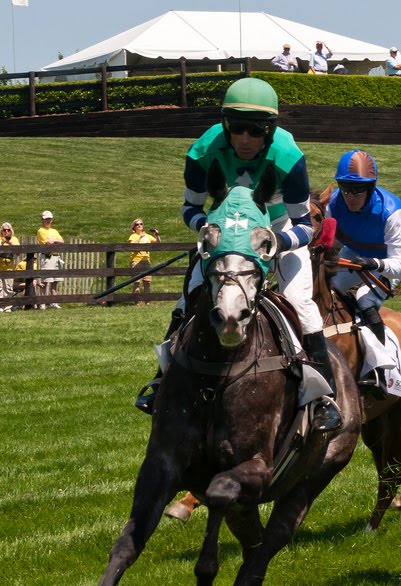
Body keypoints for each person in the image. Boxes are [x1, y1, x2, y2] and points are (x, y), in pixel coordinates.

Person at [139, 77, 342, 433]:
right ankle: (161, 381)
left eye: (256, 130)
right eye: (236, 128)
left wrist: (275, 243)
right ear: (224, 124)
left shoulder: (289, 157)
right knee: (188, 299)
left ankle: (324, 399)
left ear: (270, 129)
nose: (245, 139)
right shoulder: (202, 152)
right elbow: (189, 208)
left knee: (302, 303)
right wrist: (209, 231)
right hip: (225, 236)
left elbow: (304, 225)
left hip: (276, 231)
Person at [325, 150, 401, 395]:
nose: (350, 196)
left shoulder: (392, 212)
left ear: (371, 188)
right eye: (345, 188)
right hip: (355, 254)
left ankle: (383, 368)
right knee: (330, 290)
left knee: (364, 297)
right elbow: (328, 243)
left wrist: (375, 264)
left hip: (386, 262)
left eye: (358, 190)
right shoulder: (333, 203)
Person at [36, 210, 64, 309]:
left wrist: (54, 240)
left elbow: (62, 241)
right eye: (46, 219)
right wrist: (54, 242)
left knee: (55, 281)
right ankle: (42, 303)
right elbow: (47, 243)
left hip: (56, 257)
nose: (48, 221)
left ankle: (53, 302)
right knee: (45, 280)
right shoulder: (41, 230)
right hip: (47, 257)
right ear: (42, 220)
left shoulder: (54, 231)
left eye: (49, 219)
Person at [128, 218, 160, 302]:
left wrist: (156, 234)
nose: (139, 225)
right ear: (134, 227)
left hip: (146, 260)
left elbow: (158, 243)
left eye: (141, 224)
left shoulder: (147, 236)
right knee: (137, 282)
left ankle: (147, 302)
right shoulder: (133, 236)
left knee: (147, 282)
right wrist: (140, 237)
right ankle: (136, 302)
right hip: (136, 261)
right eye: (137, 224)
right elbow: (132, 246)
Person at [0, 222, 19, 312]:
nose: (6, 231)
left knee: (8, 287)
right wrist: (2, 242)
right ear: (1, 231)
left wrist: (9, 242)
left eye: (8, 230)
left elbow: (18, 252)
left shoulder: (14, 239)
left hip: (9, 267)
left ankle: (8, 306)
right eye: (4, 230)